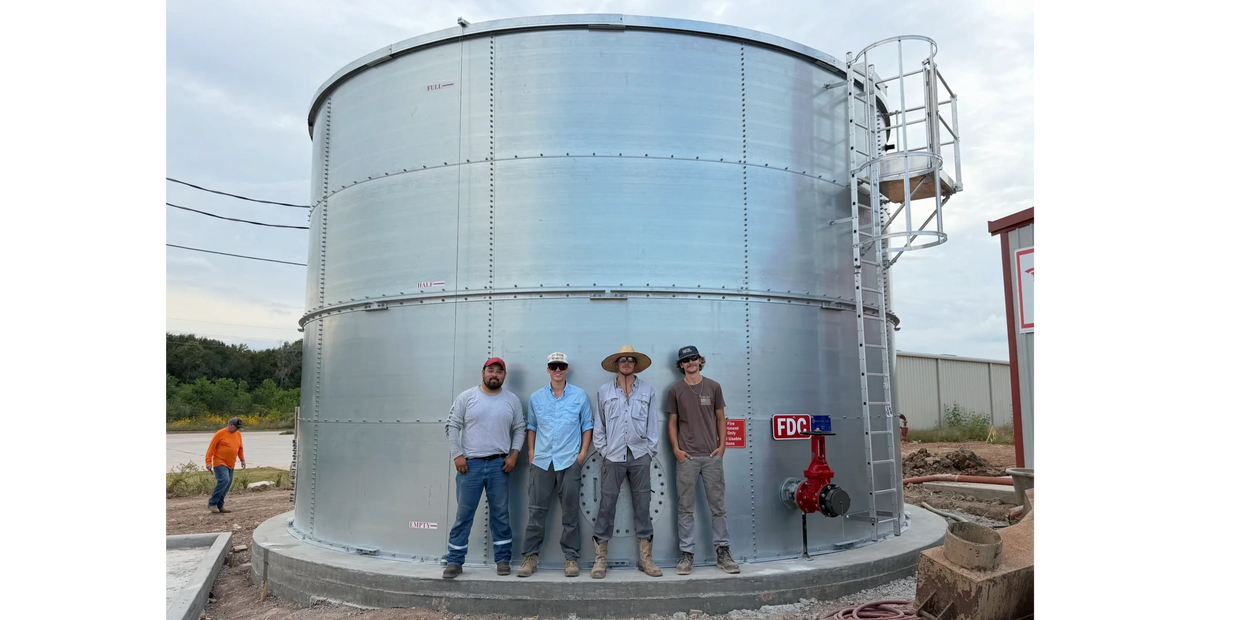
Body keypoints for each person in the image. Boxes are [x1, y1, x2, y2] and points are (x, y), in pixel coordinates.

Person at [443, 357, 526, 579]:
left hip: (500, 465)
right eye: (491, 370)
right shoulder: (467, 397)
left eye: (499, 371)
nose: (495, 375)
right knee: (464, 514)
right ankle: (454, 561)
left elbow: (520, 428)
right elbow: (452, 425)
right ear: (483, 373)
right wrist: (458, 455)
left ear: (504, 376)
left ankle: (503, 559)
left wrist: (514, 454)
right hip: (470, 466)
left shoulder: (512, 400)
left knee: (501, 514)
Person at [516, 352, 594, 578]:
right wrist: (531, 452)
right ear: (548, 369)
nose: (557, 370)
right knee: (536, 512)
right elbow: (531, 426)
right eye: (553, 366)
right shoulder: (536, 397)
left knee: (570, 512)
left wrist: (581, 454)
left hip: (569, 460)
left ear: (566, 369)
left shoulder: (580, 396)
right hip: (542, 461)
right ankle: (530, 558)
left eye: (561, 366)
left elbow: (587, 425)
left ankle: (571, 559)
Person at [590, 345, 663, 579]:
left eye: (631, 360)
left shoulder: (647, 390)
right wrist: (603, 450)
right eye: (622, 360)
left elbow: (653, 423)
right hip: (613, 456)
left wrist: (649, 451)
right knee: (606, 506)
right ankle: (600, 560)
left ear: (635, 364)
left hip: (640, 455)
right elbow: (598, 425)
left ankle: (646, 559)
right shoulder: (603, 391)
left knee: (643, 507)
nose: (626, 363)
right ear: (617, 365)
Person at [666, 345, 739, 575]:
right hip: (687, 458)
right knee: (685, 509)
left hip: (711, 457)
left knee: (718, 508)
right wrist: (676, 449)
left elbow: (721, 419)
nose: (690, 363)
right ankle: (686, 555)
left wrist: (722, 447)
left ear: (700, 360)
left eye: (694, 358)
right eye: (686, 360)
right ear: (681, 365)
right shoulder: (675, 391)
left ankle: (723, 553)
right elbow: (672, 423)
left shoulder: (714, 387)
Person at [205, 416, 246, 514]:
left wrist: (242, 459)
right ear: (231, 425)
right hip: (220, 462)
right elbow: (211, 448)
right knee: (224, 480)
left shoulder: (238, 434)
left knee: (227, 484)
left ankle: (220, 505)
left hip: (231, 463)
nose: (237, 429)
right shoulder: (220, 433)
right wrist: (208, 462)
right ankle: (212, 503)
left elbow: (240, 448)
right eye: (236, 427)